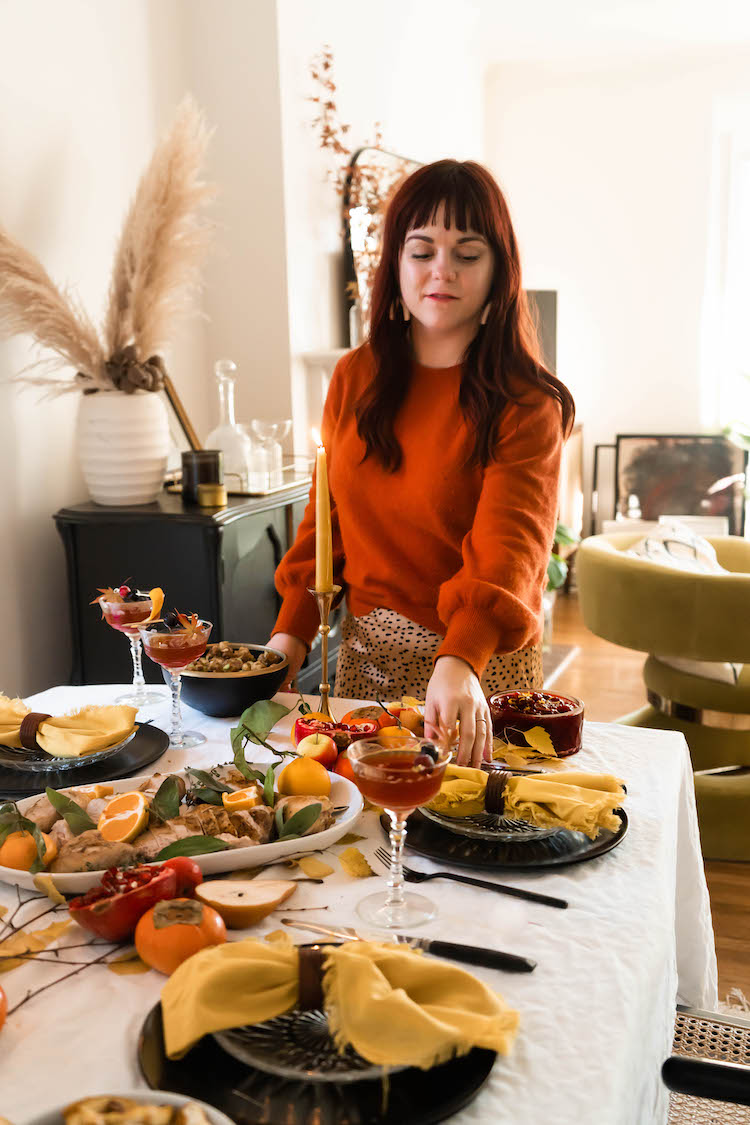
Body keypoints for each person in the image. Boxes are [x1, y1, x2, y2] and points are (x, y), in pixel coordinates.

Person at [269, 159, 575, 766]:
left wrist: (460, 660)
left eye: (467, 253)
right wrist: (288, 636)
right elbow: (323, 523)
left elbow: (509, 548)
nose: (442, 270)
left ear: (497, 272)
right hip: (367, 667)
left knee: (473, 838)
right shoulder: (354, 376)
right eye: (422, 250)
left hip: (475, 669)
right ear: (396, 265)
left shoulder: (529, 400)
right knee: (366, 839)